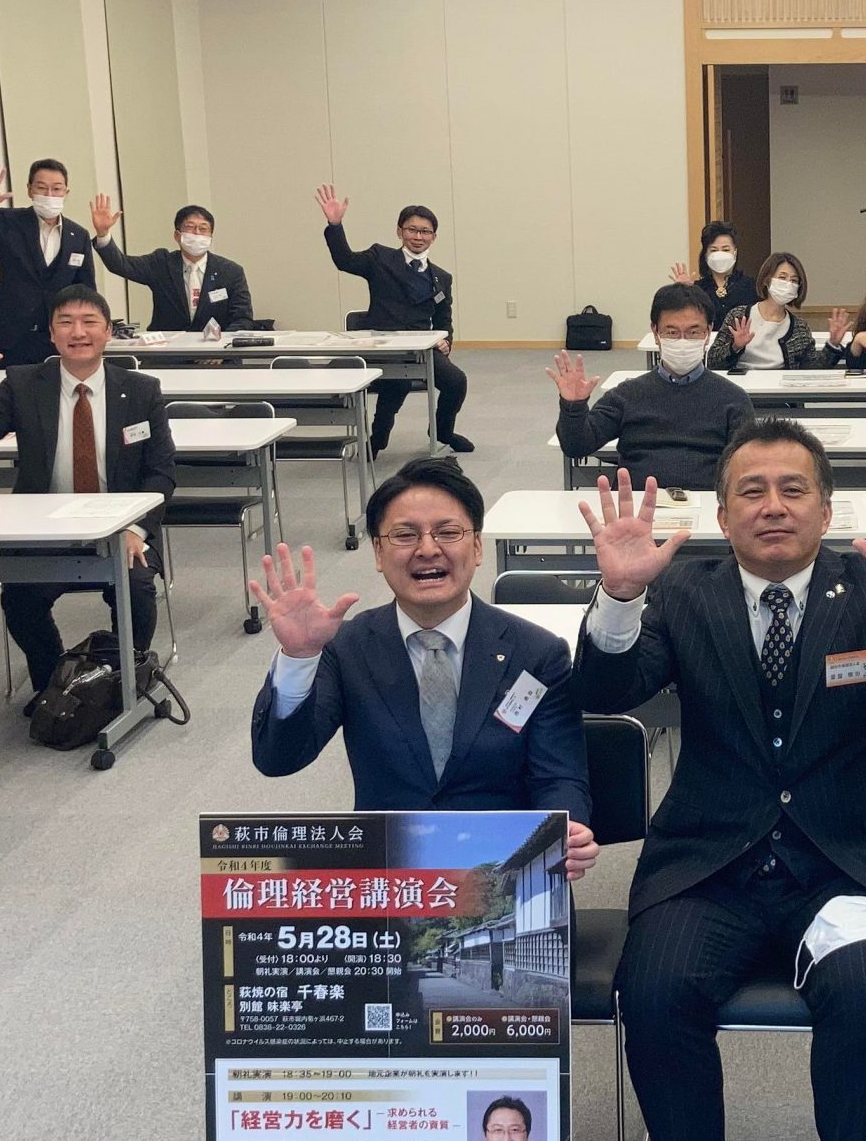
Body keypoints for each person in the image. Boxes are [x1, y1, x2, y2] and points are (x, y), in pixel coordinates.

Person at [573, 432, 866, 1141]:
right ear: (723, 515)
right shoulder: (684, 591)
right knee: (654, 990)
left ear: (827, 509)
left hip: (845, 861)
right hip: (711, 859)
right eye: (751, 491)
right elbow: (606, 693)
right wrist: (620, 596)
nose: (773, 506)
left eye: (794, 489)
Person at [247, 461, 595, 875]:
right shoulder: (346, 647)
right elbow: (278, 759)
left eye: (448, 533)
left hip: (505, 871)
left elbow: (559, 775)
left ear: (478, 547)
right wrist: (300, 657)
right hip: (389, 876)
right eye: (405, 535)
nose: (427, 549)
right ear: (378, 553)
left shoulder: (537, 653)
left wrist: (567, 827)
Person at [0, 290, 172, 707]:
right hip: (43, 527)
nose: (77, 332)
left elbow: (161, 472)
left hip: (120, 526)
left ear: (108, 331)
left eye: (89, 322)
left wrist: (136, 529)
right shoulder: (24, 383)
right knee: (20, 598)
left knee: (137, 587)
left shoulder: (141, 390)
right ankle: (54, 686)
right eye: (65, 322)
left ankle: (122, 678)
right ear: (51, 334)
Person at [317, 188, 472, 456]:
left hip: (422, 350)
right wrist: (335, 225)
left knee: (456, 381)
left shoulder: (441, 277)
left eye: (425, 232)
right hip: (384, 348)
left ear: (433, 237)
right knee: (396, 383)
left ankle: (443, 432)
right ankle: (378, 440)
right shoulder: (380, 258)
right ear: (399, 232)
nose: (418, 237)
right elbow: (345, 260)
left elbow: (443, 320)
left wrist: (446, 342)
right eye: (412, 230)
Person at [551, 285, 752, 491]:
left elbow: (750, 466)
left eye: (694, 332)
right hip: (636, 502)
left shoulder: (733, 399)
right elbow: (577, 447)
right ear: (655, 332)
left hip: (709, 503)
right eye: (671, 332)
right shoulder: (627, 395)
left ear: (708, 332)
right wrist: (573, 407)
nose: (682, 341)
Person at [0, 159, 98, 367]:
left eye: (56, 188)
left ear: (65, 192)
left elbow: (86, 289)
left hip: (57, 334)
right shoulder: (9, 221)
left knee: (56, 385)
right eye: (41, 187)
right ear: (30, 190)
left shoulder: (78, 235)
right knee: (9, 385)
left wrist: (89, 327)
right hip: (11, 333)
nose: (49, 194)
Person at [91, 198, 253, 333]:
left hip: (217, 355)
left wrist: (220, 347)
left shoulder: (230, 272)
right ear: (177, 235)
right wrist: (103, 234)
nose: (197, 233)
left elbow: (243, 318)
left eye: (203, 229)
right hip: (168, 352)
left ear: (211, 236)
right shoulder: (161, 263)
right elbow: (121, 265)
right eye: (190, 227)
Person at [707, 251, 821, 371]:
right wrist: (735, 346)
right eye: (782, 278)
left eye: (794, 281)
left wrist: (832, 345)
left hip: (779, 383)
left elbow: (813, 369)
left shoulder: (799, 328)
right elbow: (712, 362)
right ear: (767, 280)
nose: (788, 284)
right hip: (742, 382)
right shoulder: (738, 316)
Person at [670, 220, 757, 330]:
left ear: (735, 252)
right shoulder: (697, 289)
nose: (720, 254)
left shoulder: (751, 286)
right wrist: (683, 292)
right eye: (714, 250)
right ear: (706, 254)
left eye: (726, 249)